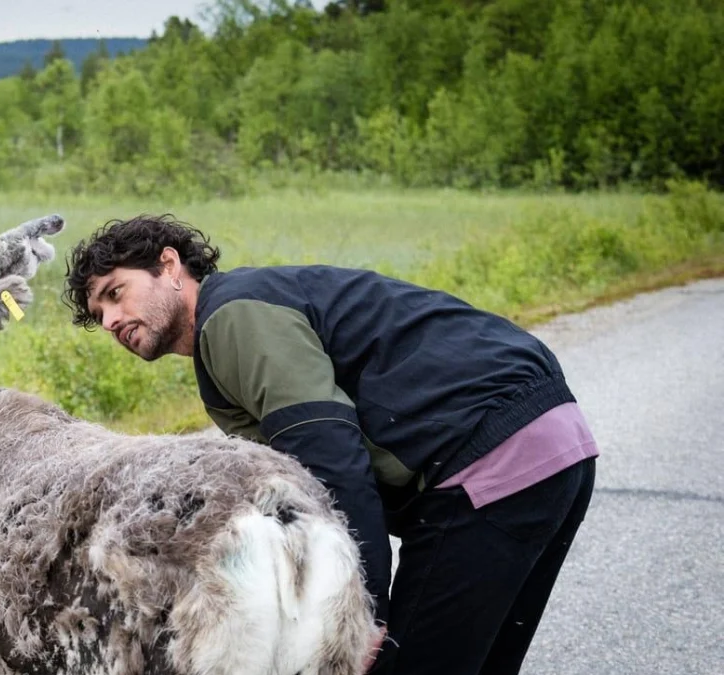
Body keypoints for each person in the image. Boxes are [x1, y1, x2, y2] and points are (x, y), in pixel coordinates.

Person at [61, 214, 599, 675]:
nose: (110, 321)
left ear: (170, 265)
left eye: (115, 293)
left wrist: (360, 611)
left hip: (486, 459)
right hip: (553, 444)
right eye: (98, 316)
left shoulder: (234, 317)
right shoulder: (243, 314)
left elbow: (330, 455)